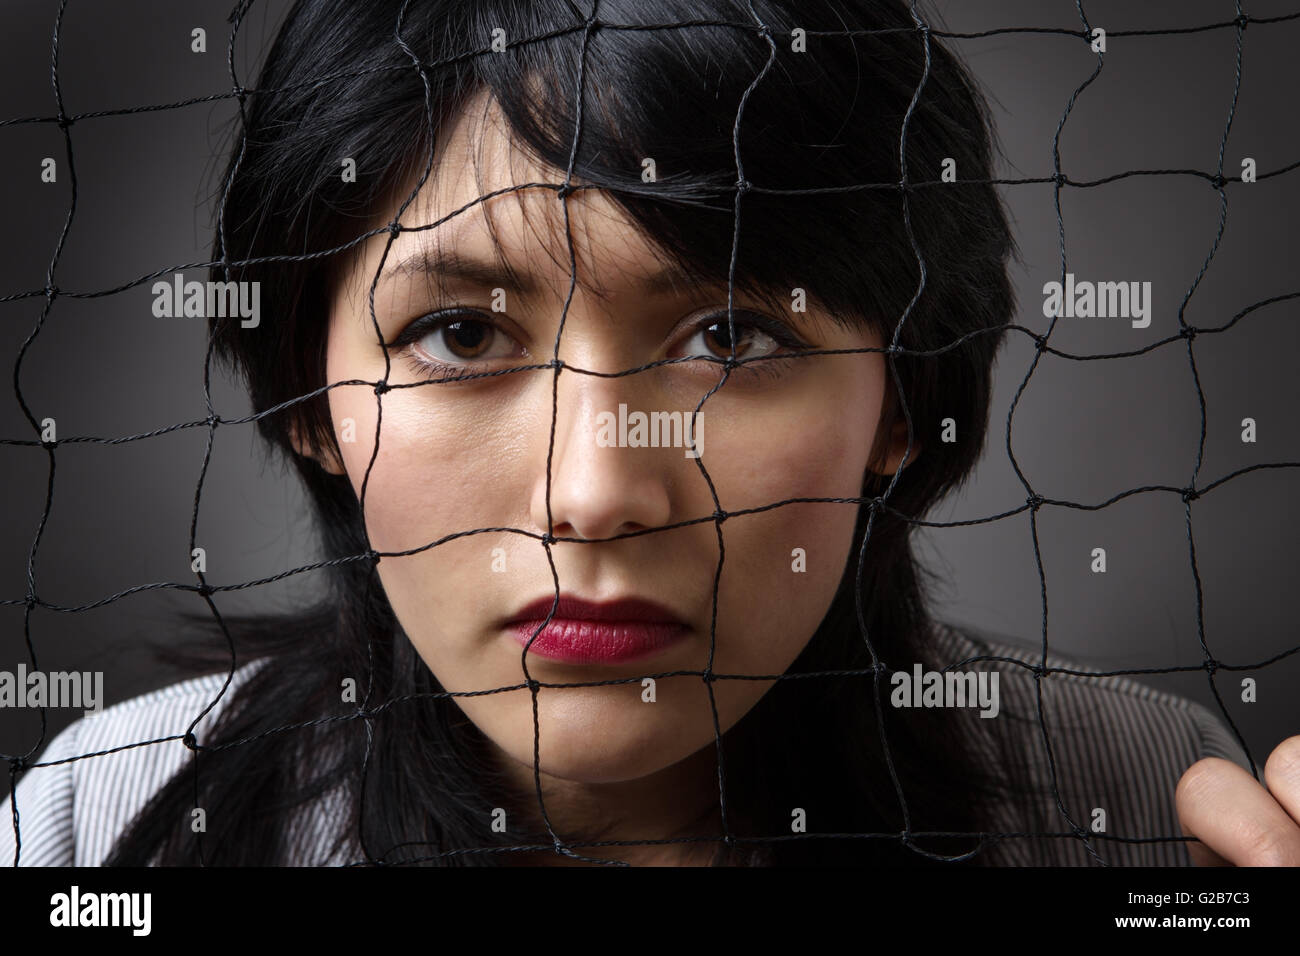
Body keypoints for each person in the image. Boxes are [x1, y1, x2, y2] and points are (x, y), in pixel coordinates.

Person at [3, 0, 1294, 868]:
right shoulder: (101, 825)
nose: (595, 494)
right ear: (309, 400)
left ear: (903, 400)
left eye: (731, 338)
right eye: (459, 335)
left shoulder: (1148, 817)